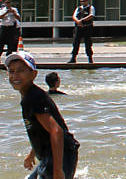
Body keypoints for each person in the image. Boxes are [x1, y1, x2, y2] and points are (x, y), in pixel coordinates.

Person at [6, 51, 80, 179]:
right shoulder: (30, 95)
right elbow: (40, 131)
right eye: (11, 71)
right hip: (51, 155)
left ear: (33, 74)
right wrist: (32, 154)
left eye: (21, 71)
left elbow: (56, 131)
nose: (15, 75)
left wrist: (58, 171)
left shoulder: (33, 97)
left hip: (62, 154)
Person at [67, 0, 94, 64]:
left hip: (87, 28)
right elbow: (74, 16)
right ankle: (73, 58)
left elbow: (91, 15)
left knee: (88, 43)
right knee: (75, 43)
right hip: (78, 28)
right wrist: (78, 21)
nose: (82, 2)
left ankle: (90, 59)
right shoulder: (78, 8)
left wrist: (82, 20)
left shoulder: (91, 8)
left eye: (83, 1)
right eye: (81, 1)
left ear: (87, 1)